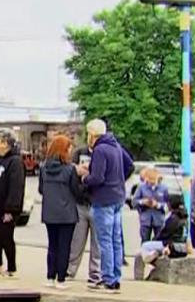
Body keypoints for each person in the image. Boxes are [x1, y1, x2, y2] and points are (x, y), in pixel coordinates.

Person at [77, 119, 134, 292]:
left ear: (92, 135)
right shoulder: (115, 145)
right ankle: (116, 277)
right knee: (116, 239)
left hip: (103, 200)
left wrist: (84, 177)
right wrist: (117, 180)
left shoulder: (100, 149)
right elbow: (129, 165)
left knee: (105, 241)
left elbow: (97, 178)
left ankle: (108, 278)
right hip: (118, 197)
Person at [39, 134, 86, 289]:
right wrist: (84, 181)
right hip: (67, 213)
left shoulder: (43, 168)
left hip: (49, 212)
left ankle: (49, 276)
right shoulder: (69, 170)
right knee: (64, 246)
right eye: (69, 148)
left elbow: (41, 190)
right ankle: (61, 278)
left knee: (52, 245)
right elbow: (76, 191)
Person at [0, 128, 26, 278]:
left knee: (6, 238)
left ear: (5, 143)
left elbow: (16, 187)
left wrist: (10, 209)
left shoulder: (15, 162)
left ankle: (11, 268)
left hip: (5, 209)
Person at [67, 145, 101, 286]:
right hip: (80, 202)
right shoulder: (80, 152)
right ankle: (70, 270)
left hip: (98, 203)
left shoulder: (103, 152)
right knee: (76, 240)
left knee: (97, 243)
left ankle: (95, 273)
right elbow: (72, 172)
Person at [134, 202, 193, 281]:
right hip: (180, 246)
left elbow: (165, 234)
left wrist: (155, 239)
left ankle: (151, 256)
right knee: (144, 251)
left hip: (169, 245)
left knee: (144, 247)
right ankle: (153, 254)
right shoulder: (184, 218)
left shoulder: (173, 218)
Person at [133, 168, 168, 244]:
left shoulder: (164, 188)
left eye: (153, 181)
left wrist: (157, 205)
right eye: (149, 181)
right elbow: (134, 202)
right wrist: (143, 202)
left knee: (159, 242)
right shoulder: (141, 187)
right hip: (145, 219)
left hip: (159, 219)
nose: (152, 183)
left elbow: (168, 204)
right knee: (145, 241)